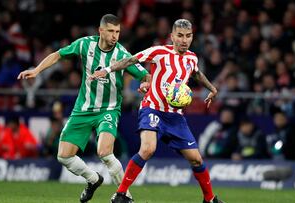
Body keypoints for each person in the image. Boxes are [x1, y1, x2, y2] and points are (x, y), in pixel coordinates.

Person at [17, 14, 150, 203]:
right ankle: (93, 179)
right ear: (101, 31)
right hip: (83, 109)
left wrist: (146, 83)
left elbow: (146, 75)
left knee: (104, 152)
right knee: (63, 156)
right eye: (111, 31)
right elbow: (58, 55)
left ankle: (125, 196)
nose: (115, 36)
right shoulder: (84, 44)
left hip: (108, 110)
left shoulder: (122, 55)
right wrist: (37, 70)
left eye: (118, 32)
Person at [92, 19, 223, 203]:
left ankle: (209, 199)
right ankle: (120, 194)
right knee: (148, 149)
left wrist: (212, 88)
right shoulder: (159, 51)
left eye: (188, 36)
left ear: (192, 37)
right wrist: (107, 69)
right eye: (180, 36)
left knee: (197, 160)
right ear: (172, 36)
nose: (184, 40)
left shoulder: (192, 58)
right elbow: (131, 59)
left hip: (175, 116)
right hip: (152, 108)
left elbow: (196, 73)